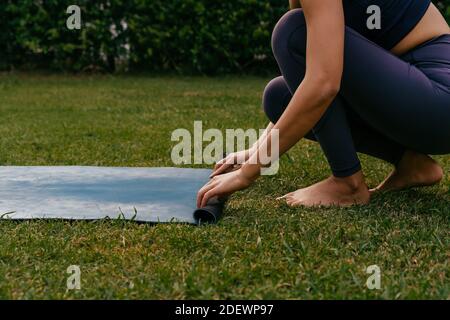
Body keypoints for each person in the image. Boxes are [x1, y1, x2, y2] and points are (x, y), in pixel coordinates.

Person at [197, 0, 450, 208]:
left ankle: (348, 183)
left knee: (292, 32)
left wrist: (247, 174)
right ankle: (411, 163)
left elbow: (322, 84)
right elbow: (304, 68)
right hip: (417, 95)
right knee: (279, 97)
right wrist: (255, 152)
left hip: (438, 97)